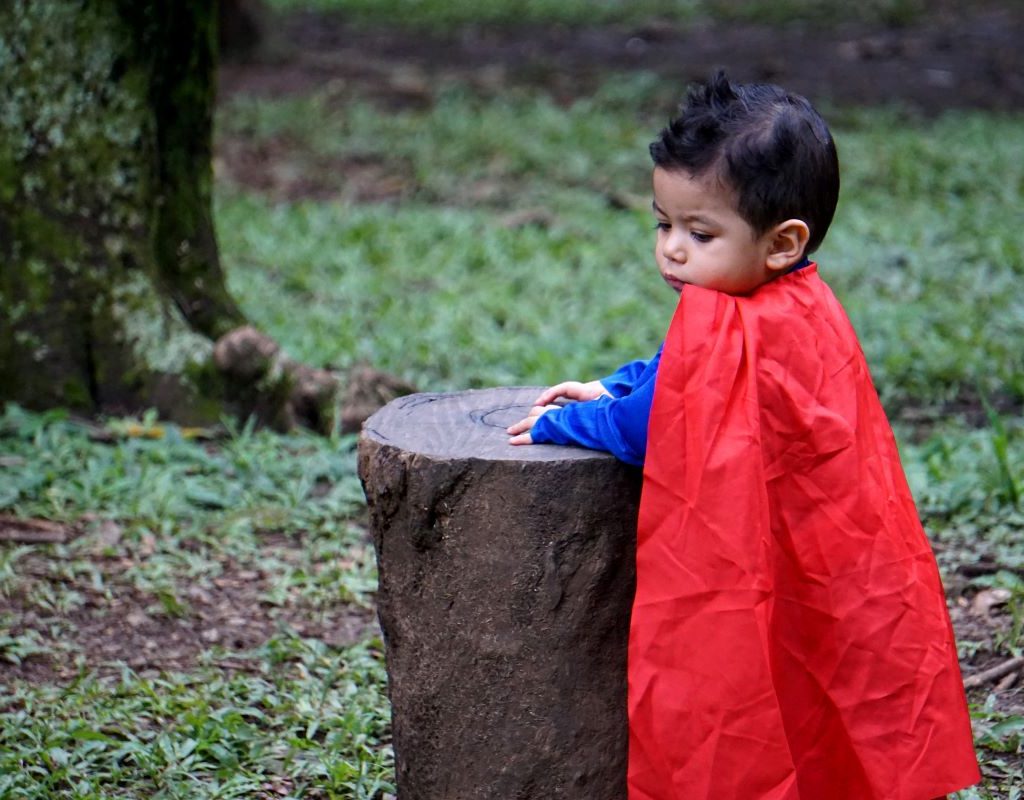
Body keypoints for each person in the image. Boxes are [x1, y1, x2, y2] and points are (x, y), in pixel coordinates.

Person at [507, 72, 980, 800]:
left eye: (700, 234)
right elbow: (674, 373)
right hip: (832, 554)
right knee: (822, 683)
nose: (672, 250)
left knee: (750, 692)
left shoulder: (731, 320)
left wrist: (564, 422)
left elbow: (647, 426)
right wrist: (617, 383)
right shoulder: (802, 302)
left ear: (784, 242)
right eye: (662, 224)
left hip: (774, 555)